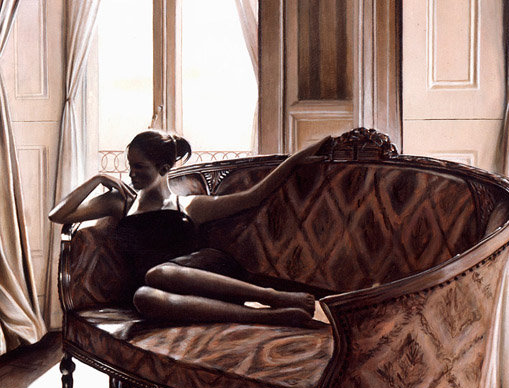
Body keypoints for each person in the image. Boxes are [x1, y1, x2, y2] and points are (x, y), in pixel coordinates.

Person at [49, 130, 330, 327]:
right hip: (164, 295)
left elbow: (253, 197)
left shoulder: (189, 205)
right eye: (130, 167)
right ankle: (269, 317)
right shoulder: (120, 203)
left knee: (158, 273)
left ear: (164, 168)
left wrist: (297, 159)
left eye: (140, 167)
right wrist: (98, 179)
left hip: (203, 276)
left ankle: (273, 297)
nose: (131, 174)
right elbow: (58, 215)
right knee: (142, 296)